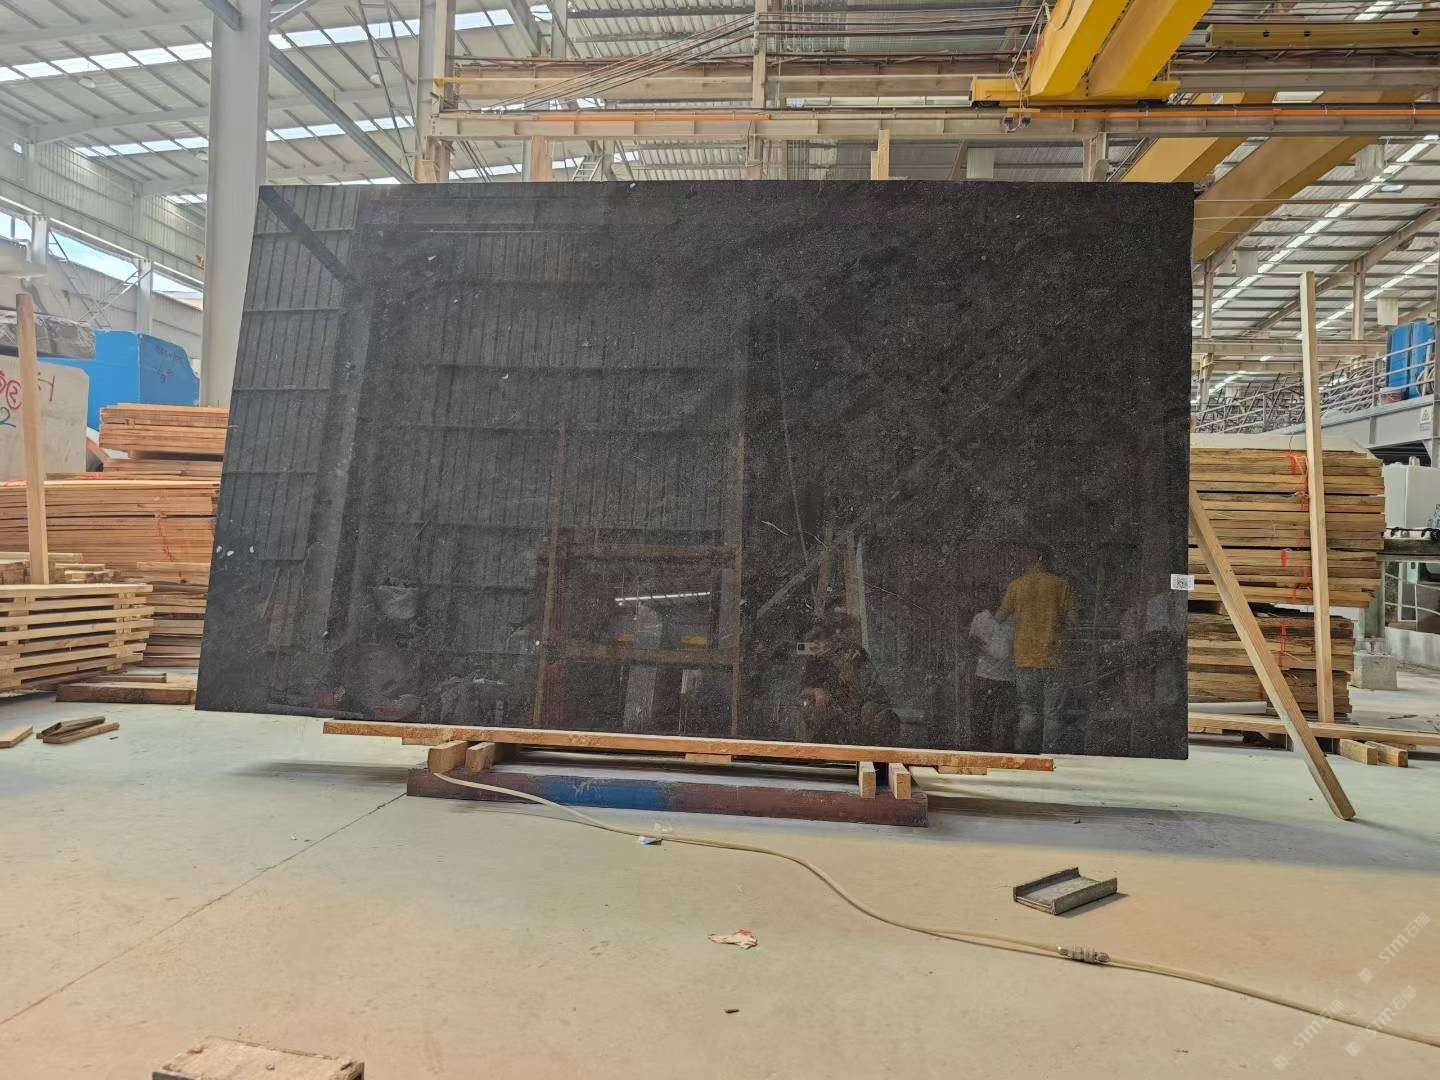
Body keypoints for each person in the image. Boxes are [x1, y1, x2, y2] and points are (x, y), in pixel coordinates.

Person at [998, 544, 1077, 754]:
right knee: (1052, 714)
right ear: (1046, 560)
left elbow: (1000, 618)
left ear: (1031, 560)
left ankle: (1026, 755)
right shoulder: (1061, 585)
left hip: (1024, 658)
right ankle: (1050, 757)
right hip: (1053, 658)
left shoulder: (1016, 585)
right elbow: (1073, 621)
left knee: (1029, 711)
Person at [799, 611, 898, 746]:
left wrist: (841, 663)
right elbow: (802, 690)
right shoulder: (813, 661)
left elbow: (863, 689)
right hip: (831, 721)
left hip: (860, 714)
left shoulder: (853, 653)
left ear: (828, 636)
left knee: (868, 711)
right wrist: (815, 692)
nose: (815, 643)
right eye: (810, 640)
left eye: (818, 637)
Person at [967, 607, 1015, 750]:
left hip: (1008, 677)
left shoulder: (1013, 619)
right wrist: (987, 650)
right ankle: (982, 749)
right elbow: (972, 644)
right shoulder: (980, 618)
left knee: (1005, 720)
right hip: (985, 675)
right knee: (983, 718)